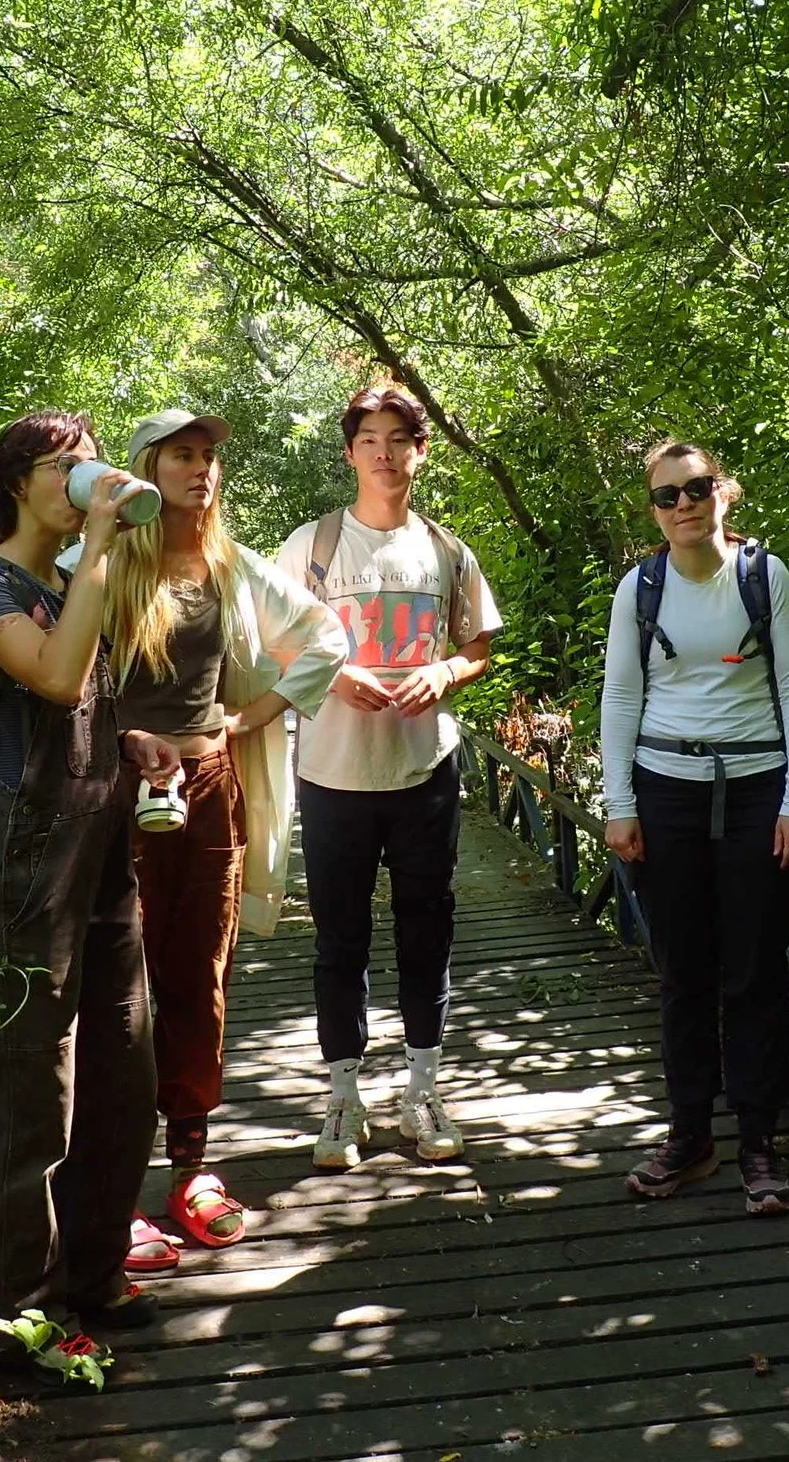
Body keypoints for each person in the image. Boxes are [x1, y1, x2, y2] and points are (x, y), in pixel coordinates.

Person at [0, 413, 180, 1381]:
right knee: (24, 1097)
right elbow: (51, 675)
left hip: (99, 861)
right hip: (16, 874)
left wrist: (133, 744)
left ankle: (94, 1272)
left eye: (87, 461)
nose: (83, 476)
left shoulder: (61, 581)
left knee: (125, 1076)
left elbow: (85, 701)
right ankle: (24, 1316)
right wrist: (97, 550)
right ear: (15, 483)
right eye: (62, 466)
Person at [102, 408, 349, 1264]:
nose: (200, 470)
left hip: (210, 789)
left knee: (199, 977)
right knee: (118, 987)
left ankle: (192, 1170)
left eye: (208, 457)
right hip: (116, 797)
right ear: (147, 467)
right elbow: (59, 676)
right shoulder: (96, 565)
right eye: (183, 455)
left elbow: (325, 635)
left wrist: (253, 714)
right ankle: (115, 1192)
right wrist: (122, 739)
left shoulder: (229, 566)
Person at [279, 383, 501, 1170]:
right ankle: (344, 1094)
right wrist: (332, 675)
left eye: (397, 438)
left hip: (423, 770)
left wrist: (445, 672)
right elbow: (272, 643)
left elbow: (477, 645)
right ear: (348, 453)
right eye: (368, 438)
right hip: (333, 772)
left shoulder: (446, 549)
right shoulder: (311, 546)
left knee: (426, 930)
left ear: (419, 450)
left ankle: (423, 1085)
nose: (383, 451)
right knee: (338, 939)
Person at [601, 442, 789, 1216]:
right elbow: (621, 695)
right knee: (683, 972)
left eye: (696, 488)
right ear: (653, 510)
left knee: (754, 971)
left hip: (758, 790)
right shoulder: (642, 587)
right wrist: (616, 800)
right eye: (667, 496)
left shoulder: (765, 577)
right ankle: (690, 1133)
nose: (684, 504)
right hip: (667, 793)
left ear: (723, 492)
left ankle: (759, 1145)